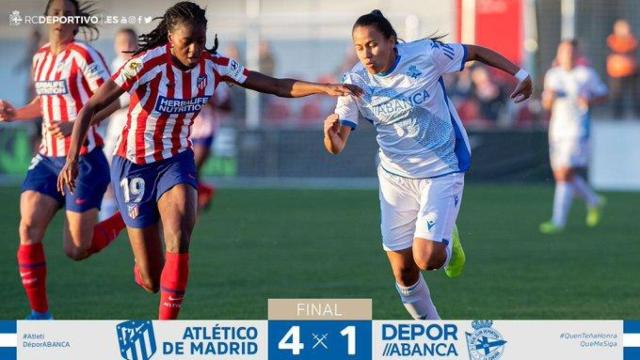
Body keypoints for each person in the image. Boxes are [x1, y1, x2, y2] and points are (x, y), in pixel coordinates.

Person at [57, 1, 360, 320]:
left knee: (178, 235)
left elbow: (273, 85)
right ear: (171, 39)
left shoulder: (215, 66)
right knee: (150, 280)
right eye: (187, 41)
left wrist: (324, 88)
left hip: (176, 160)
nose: (195, 48)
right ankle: (127, 225)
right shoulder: (146, 64)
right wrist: (71, 158)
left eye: (200, 41)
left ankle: (166, 336)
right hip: (134, 162)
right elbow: (90, 107)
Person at [323, 10, 532, 319]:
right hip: (395, 179)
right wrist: (329, 134)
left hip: (441, 167)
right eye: (359, 47)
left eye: (373, 44)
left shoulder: (424, 54)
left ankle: (449, 247)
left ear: (391, 41)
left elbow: (473, 51)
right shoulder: (354, 82)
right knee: (404, 273)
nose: (366, 54)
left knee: (427, 258)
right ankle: (432, 336)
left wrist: (521, 74)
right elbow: (337, 146)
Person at [0, 0, 125, 320]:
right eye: (54, 13)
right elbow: (44, 102)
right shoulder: (41, 56)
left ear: (75, 22)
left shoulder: (84, 56)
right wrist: (16, 113)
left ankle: (128, 216)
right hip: (47, 158)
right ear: (46, 19)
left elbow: (114, 99)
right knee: (28, 226)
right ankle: (40, 314)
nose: (60, 19)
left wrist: (79, 125)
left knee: (76, 249)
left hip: (83, 159)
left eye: (67, 14)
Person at [539, 40, 608, 234]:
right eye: (564, 52)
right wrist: (549, 98)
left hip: (577, 130)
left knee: (564, 174)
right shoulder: (553, 75)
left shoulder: (586, 74)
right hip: (557, 131)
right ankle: (594, 201)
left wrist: (590, 100)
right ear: (559, 54)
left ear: (577, 55)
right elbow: (547, 105)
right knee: (563, 175)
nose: (567, 55)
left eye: (571, 52)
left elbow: (604, 95)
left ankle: (558, 221)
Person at [100, 28, 139, 220]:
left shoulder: (141, 66)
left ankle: (132, 216)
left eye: (131, 42)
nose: (127, 46)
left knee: (131, 179)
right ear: (116, 46)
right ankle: (108, 216)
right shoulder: (112, 67)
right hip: (115, 131)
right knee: (106, 173)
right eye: (123, 42)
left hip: (136, 133)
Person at [190, 82, 231, 210]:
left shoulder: (217, 82)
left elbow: (228, 106)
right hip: (187, 130)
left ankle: (196, 199)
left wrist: (211, 102)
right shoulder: (182, 77)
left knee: (193, 168)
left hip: (206, 131)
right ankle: (204, 191)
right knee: (188, 169)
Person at [606, 19, 639, 118]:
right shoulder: (612, 40)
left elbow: (632, 50)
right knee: (617, 94)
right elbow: (614, 51)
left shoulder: (632, 40)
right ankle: (617, 115)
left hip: (632, 71)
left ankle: (637, 114)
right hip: (616, 72)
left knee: (635, 94)